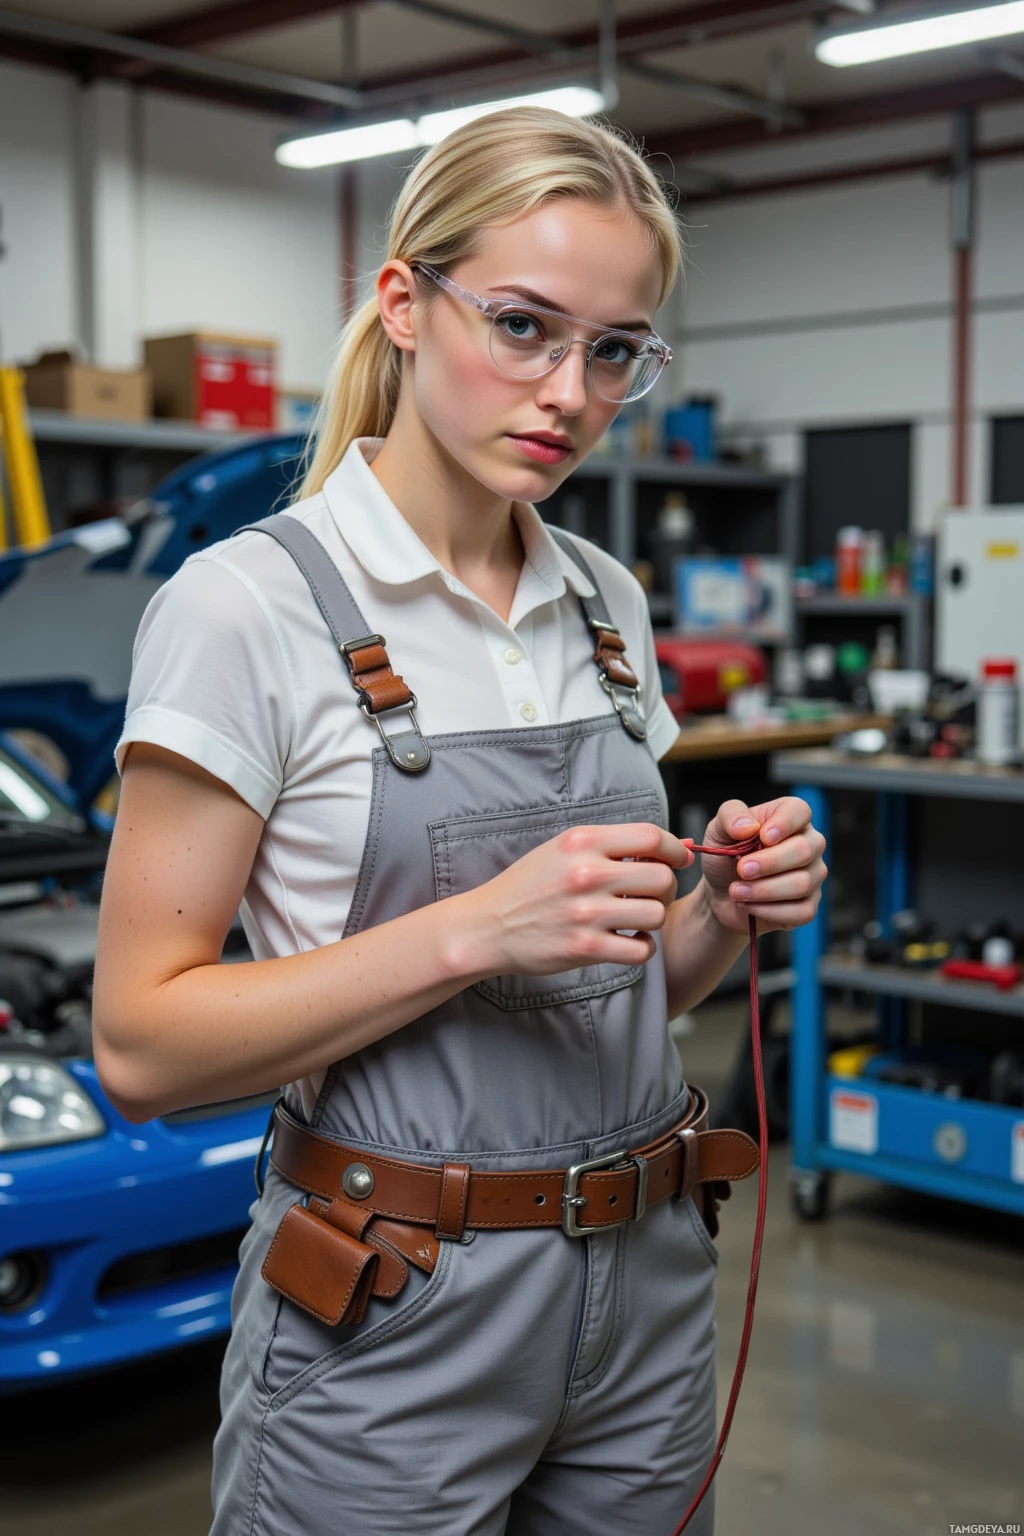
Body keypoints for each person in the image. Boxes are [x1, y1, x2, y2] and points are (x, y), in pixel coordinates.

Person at [94, 106, 826, 1536]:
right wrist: (475, 929)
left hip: (649, 1293)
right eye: (523, 326)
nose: (568, 389)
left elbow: (619, 993)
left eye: (614, 348)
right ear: (405, 305)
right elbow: (139, 1043)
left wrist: (718, 917)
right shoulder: (248, 609)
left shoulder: (606, 600)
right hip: (392, 1305)